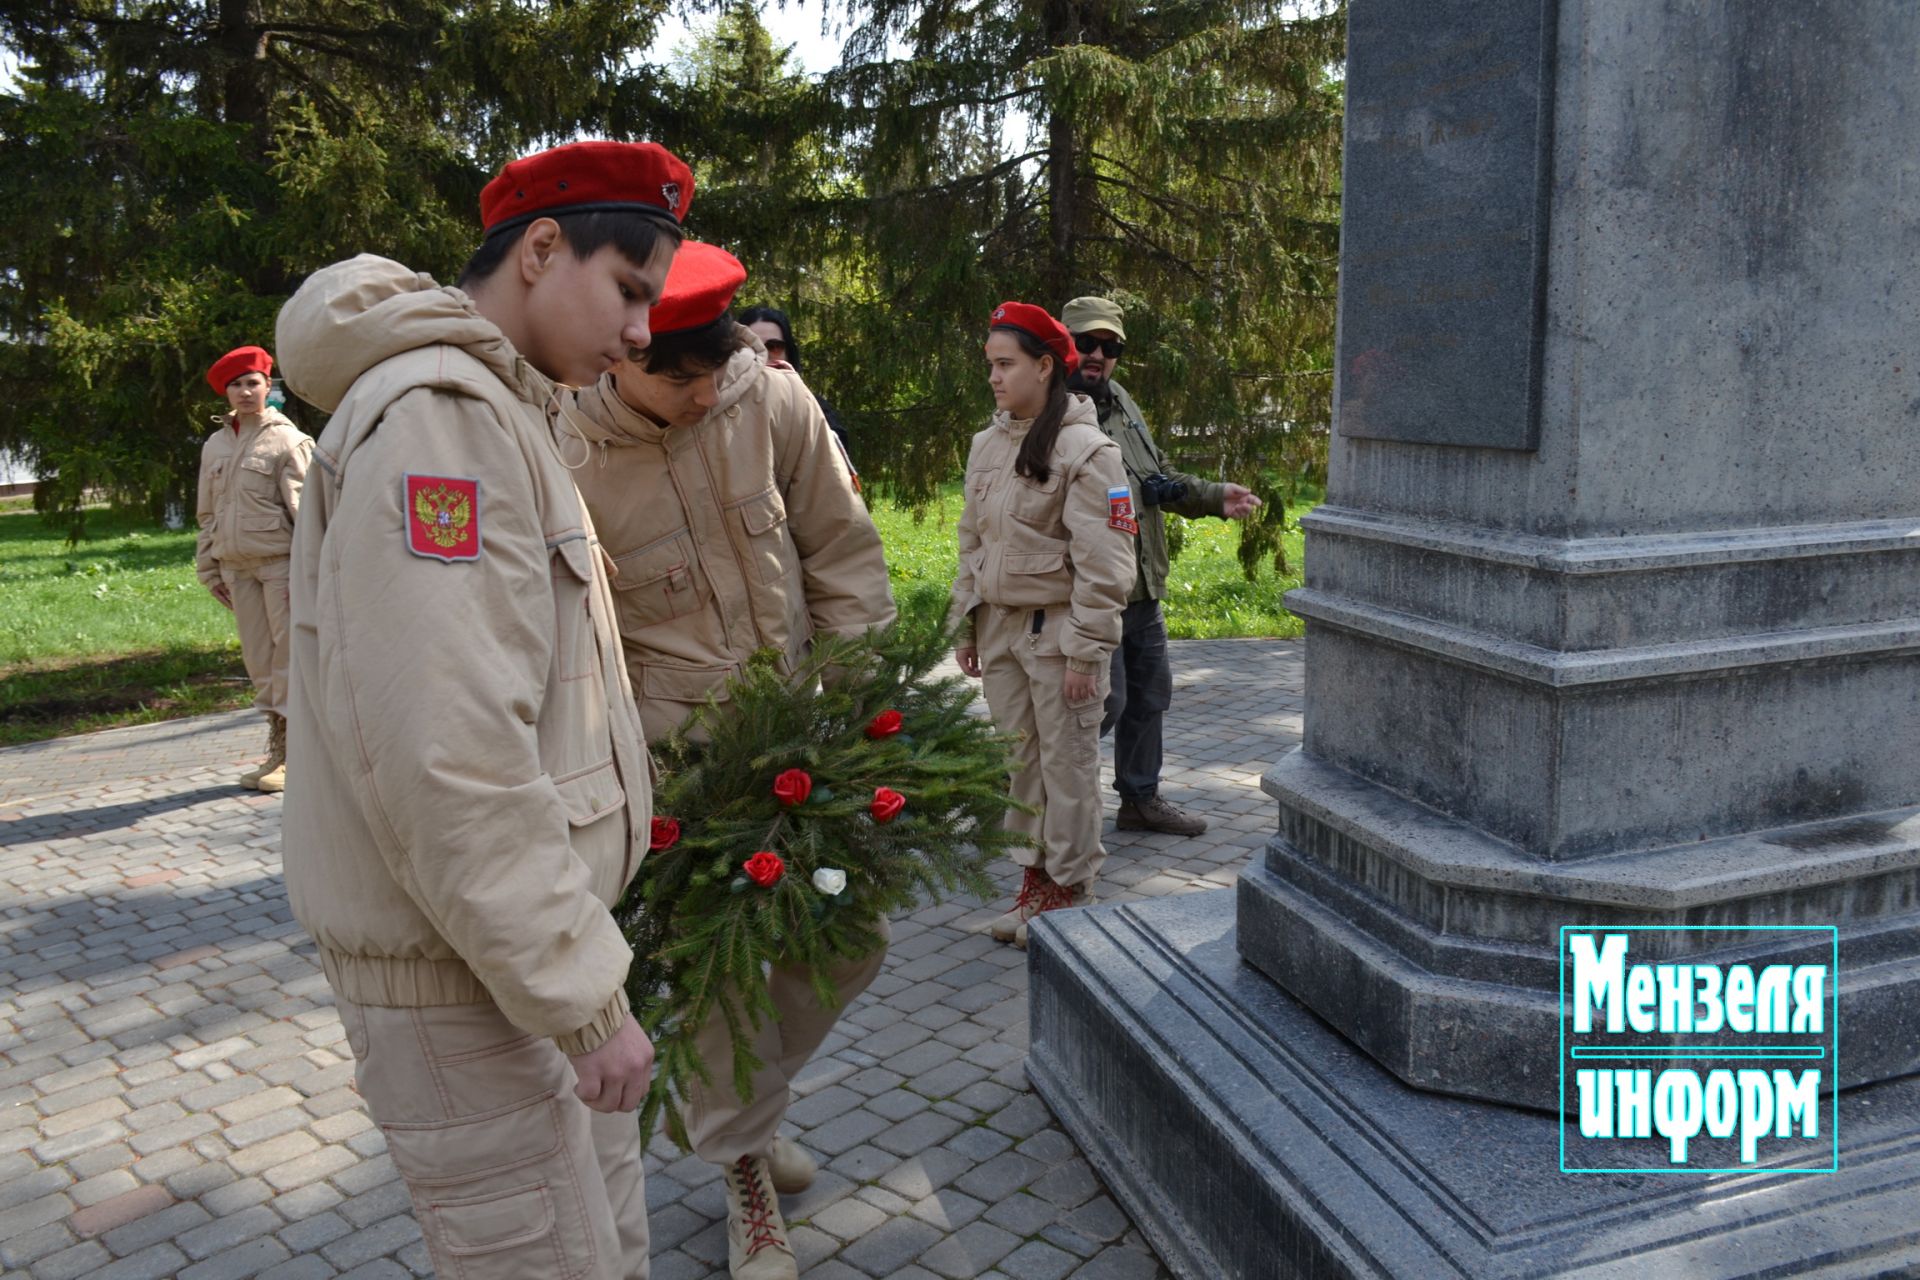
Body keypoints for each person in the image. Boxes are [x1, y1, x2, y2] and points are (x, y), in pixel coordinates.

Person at [274, 140, 686, 1280]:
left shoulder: (502, 409)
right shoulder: (437, 421)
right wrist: (584, 996)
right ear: (543, 249)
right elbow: (448, 754)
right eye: (630, 289)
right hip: (474, 981)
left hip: (519, 959)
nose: (644, 332)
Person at [569, 242, 895, 1280]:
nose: (707, 389)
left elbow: (843, 555)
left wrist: (855, 713)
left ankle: (747, 1106)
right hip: (675, 770)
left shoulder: (771, 400)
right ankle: (744, 1169)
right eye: (680, 374)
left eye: (717, 364)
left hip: (804, 741)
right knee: (712, 973)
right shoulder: (562, 449)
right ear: (622, 354)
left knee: (852, 935)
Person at [950, 302, 1134, 949]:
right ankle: (1036, 881)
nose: (994, 378)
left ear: (1044, 367)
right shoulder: (987, 444)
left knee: (1068, 765)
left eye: (1006, 365)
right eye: (990, 366)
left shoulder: (1087, 452)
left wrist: (1087, 653)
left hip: (1059, 637)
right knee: (1020, 764)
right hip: (1002, 632)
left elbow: (1106, 564)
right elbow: (972, 541)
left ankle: (1070, 888)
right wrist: (965, 625)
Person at [1060, 296, 1263, 836]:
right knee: (1103, 703)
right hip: (1088, 592)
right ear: (1063, 344)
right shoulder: (1048, 412)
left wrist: (1213, 496)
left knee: (1148, 698)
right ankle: (1044, 799)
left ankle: (1139, 800)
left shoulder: (1121, 401)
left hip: (1141, 584)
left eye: (1111, 346)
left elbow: (1156, 480)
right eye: (1086, 342)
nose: (1098, 354)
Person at [194, 345, 313, 793]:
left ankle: (297, 756)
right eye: (236, 385)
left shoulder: (289, 442)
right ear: (226, 393)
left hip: (280, 567)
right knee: (260, 663)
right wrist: (209, 569)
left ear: (268, 387)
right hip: (237, 570)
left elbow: (309, 514)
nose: (245, 392)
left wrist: (310, 573)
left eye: (253, 383)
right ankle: (278, 749)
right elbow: (208, 514)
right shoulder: (215, 444)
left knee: (289, 661)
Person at [738, 304, 851, 456]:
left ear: (788, 353)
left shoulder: (813, 406)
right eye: (752, 347)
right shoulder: (719, 408)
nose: (763, 356)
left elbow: (834, 462)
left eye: (773, 347)